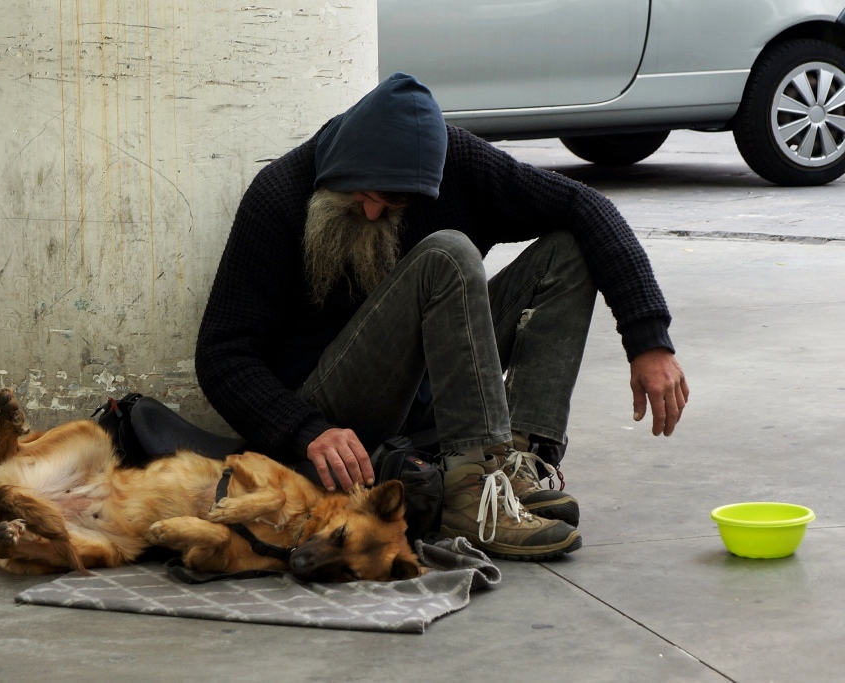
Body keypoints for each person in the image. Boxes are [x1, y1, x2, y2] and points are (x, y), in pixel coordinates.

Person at [195, 73, 689, 561]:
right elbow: (222, 355)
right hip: (333, 410)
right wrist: (306, 430)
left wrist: (649, 341)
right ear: (339, 166)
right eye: (364, 197)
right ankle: (472, 499)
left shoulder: (460, 163)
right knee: (448, 254)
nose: (372, 215)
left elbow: (588, 205)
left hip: (430, 389)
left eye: (395, 205)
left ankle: (513, 464)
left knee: (569, 250)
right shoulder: (279, 195)